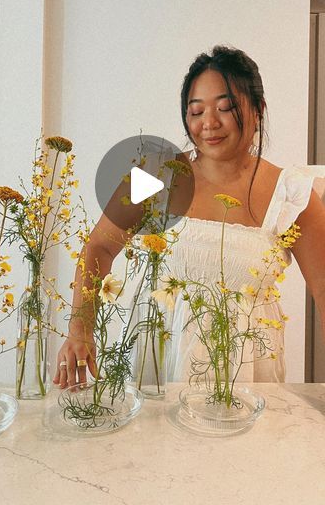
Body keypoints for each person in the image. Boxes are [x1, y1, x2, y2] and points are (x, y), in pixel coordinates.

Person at [53, 45, 325, 388]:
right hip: (157, 358)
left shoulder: (294, 193)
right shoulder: (154, 174)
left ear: (258, 110)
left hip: (247, 369)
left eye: (225, 108)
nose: (209, 123)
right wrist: (80, 331)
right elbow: (99, 248)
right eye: (196, 112)